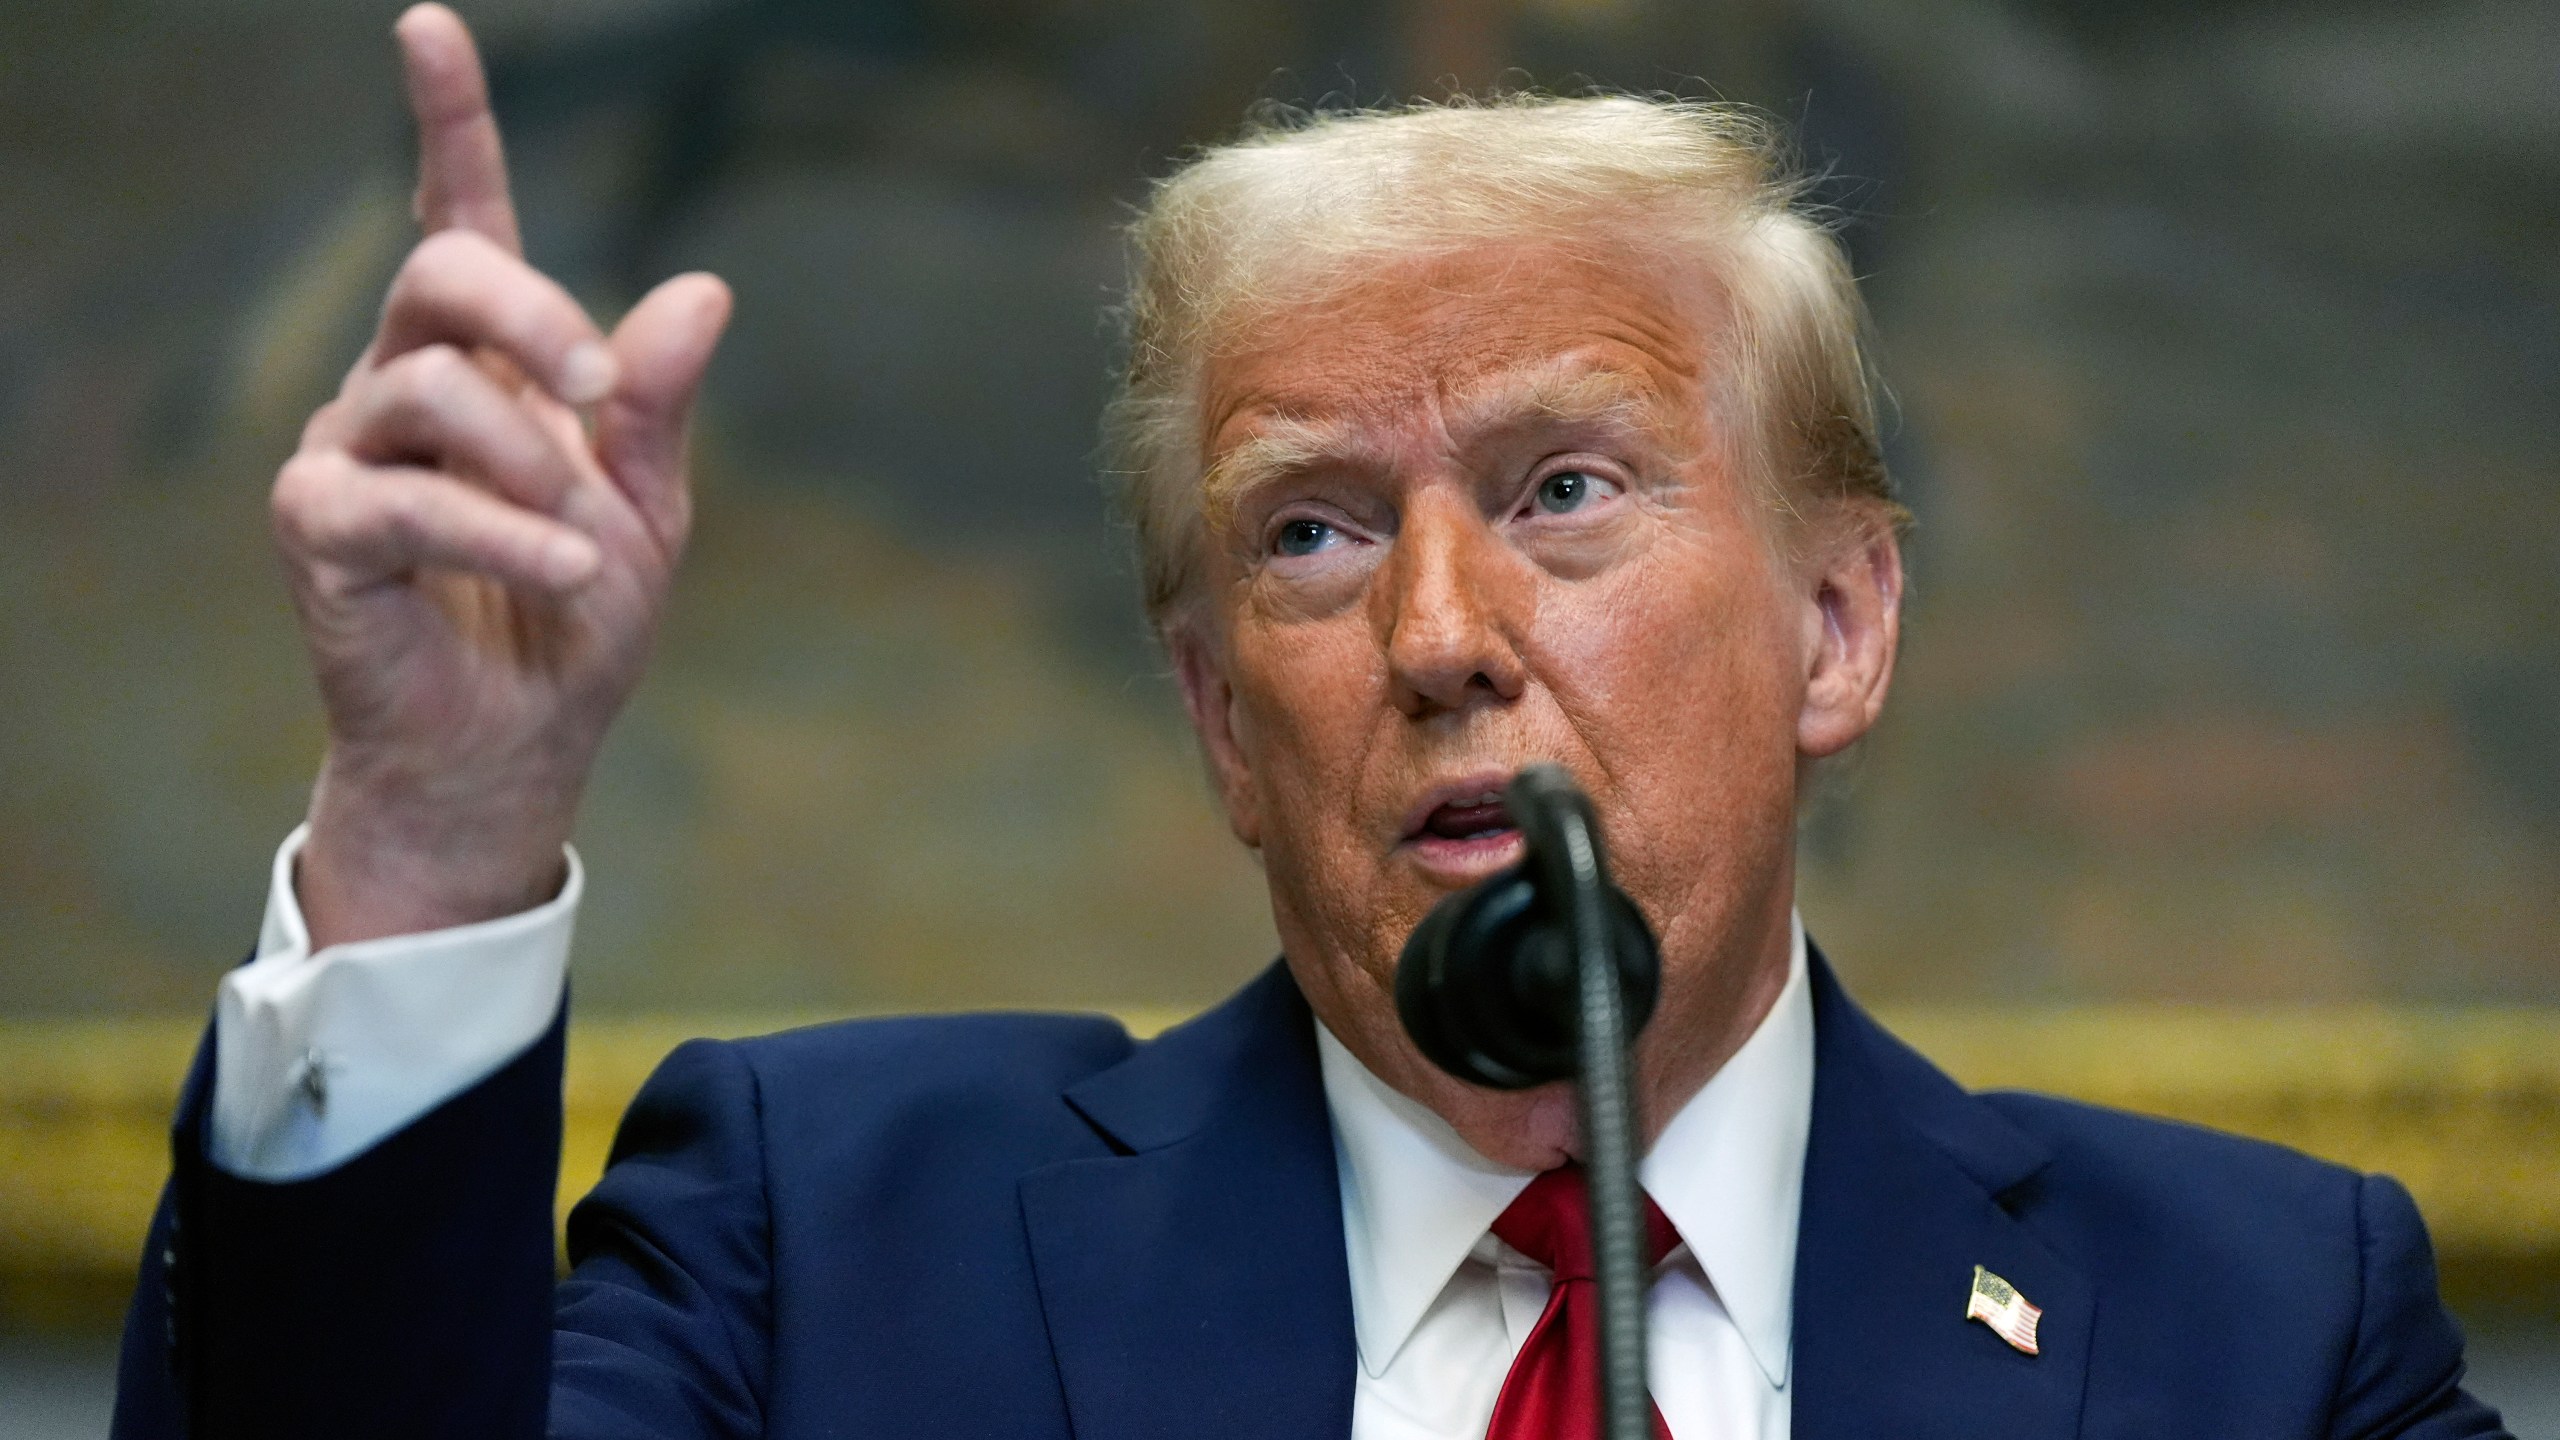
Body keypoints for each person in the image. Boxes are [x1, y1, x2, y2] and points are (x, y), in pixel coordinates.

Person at [111, 7, 2507, 1439]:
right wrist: (432, 827)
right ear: (1218, 719)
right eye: (1312, 534)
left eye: (1562, 491)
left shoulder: (2252, 1334)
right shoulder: (826, 1248)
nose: (1440, 633)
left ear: (1833, 624)